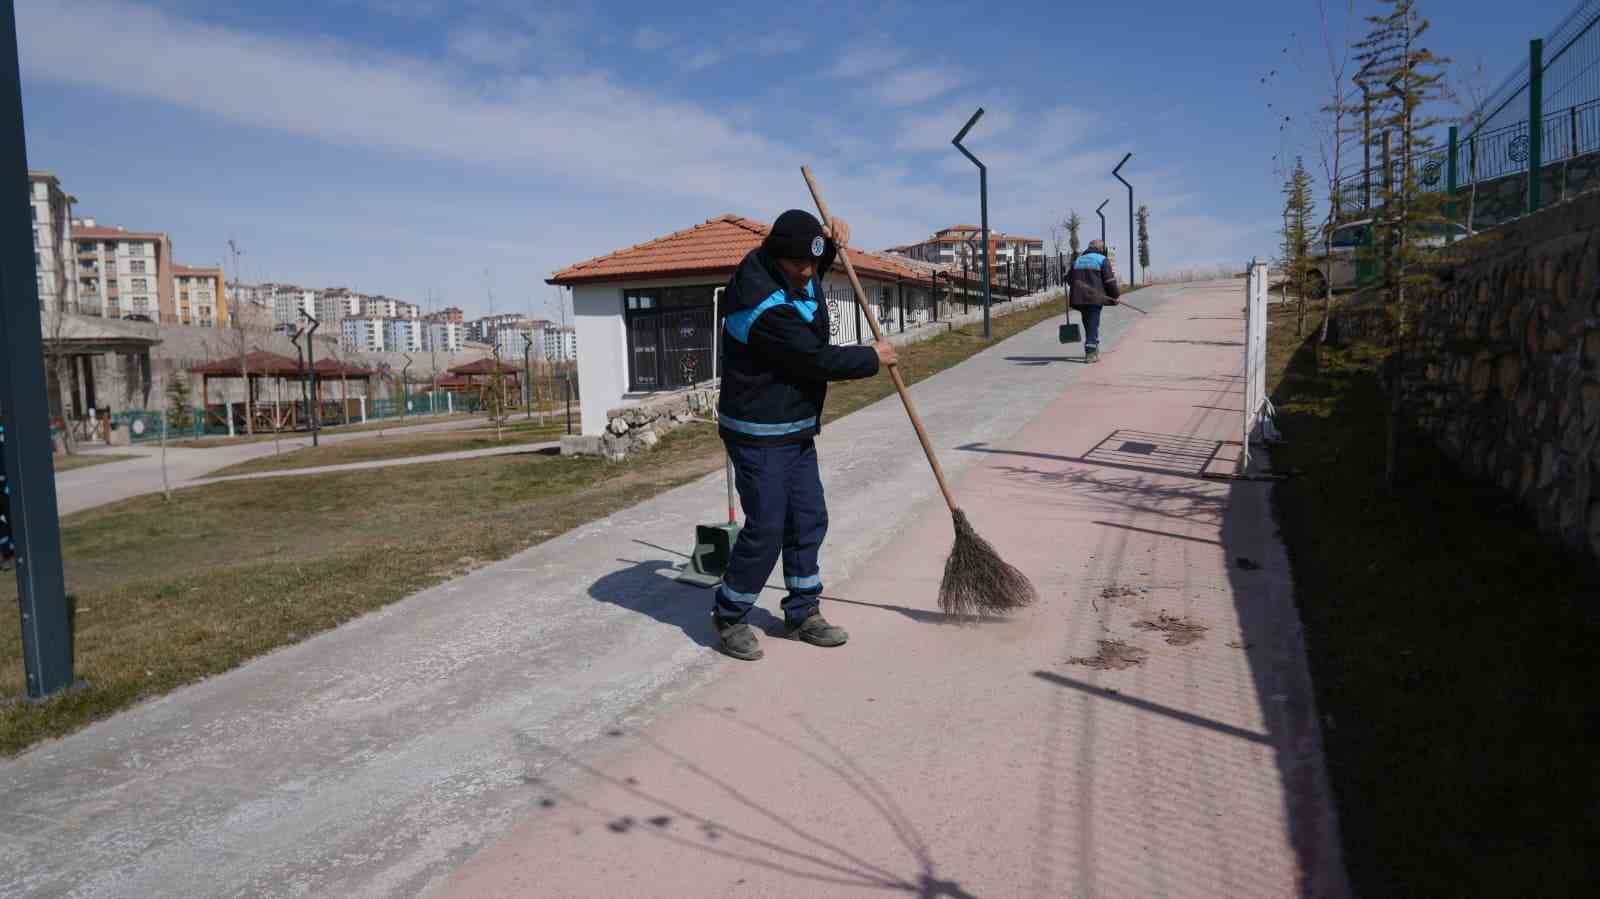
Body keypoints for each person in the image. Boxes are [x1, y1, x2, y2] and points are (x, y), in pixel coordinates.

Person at [712, 209, 898, 661]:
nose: (810, 273)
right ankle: (730, 614)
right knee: (769, 527)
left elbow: (810, 259)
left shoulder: (794, 267)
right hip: (758, 433)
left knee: (809, 519)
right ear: (777, 256)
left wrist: (829, 240)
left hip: (794, 427)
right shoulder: (759, 304)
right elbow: (815, 359)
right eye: (801, 264)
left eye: (814, 263)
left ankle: (802, 611)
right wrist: (873, 358)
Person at [1067, 238, 1121, 363]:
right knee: (1092, 323)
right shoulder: (1102, 259)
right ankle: (1090, 352)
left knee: (1089, 322)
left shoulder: (1078, 260)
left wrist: (1079, 286)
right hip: (1094, 298)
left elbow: (1069, 278)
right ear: (1101, 249)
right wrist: (1115, 295)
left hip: (1079, 298)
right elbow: (1109, 281)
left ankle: (1094, 346)